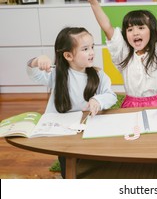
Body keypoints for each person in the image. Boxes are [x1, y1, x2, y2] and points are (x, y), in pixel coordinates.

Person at [79, 0, 157, 108]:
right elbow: (106, 26)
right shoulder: (124, 53)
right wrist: (93, 1)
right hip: (130, 104)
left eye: (141, 28)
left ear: (152, 31)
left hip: (155, 104)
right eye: (130, 29)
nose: (135, 33)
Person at [26, 26, 117, 178]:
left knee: (92, 160)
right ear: (68, 55)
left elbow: (111, 95)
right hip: (62, 131)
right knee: (67, 161)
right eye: (85, 49)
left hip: (89, 127)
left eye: (92, 47)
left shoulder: (98, 75)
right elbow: (34, 74)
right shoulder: (56, 74)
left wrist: (98, 100)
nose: (92, 52)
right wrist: (36, 61)